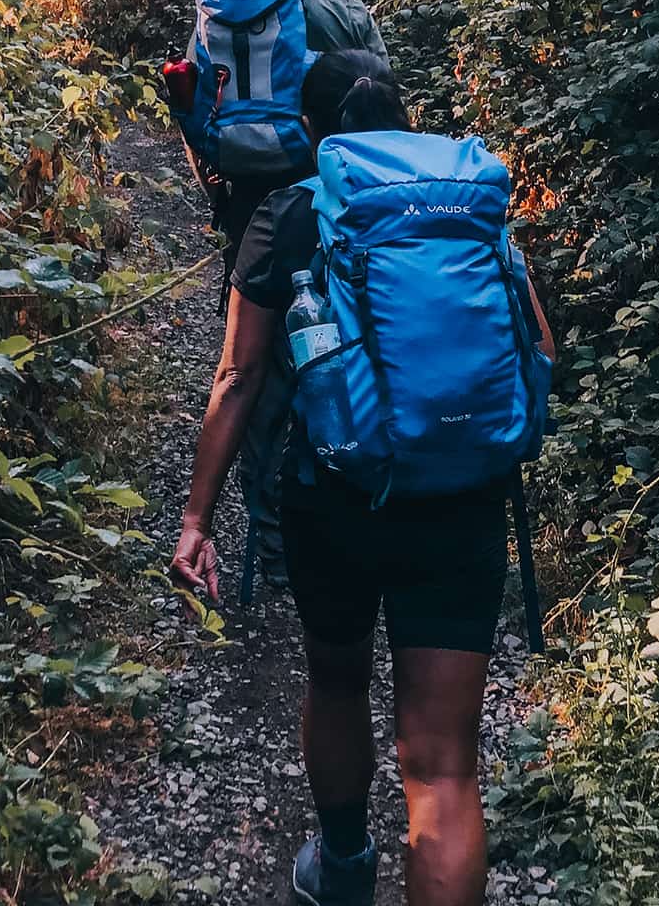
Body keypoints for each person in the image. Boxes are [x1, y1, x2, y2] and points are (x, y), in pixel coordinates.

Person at [169, 51, 557, 906]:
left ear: (311, 132)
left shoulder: (288, 214)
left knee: (337, 679)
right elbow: (541, 352)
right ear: (407, 122)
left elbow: (238, 378)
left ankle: (344, 864)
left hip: (335, 498)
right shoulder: (468, 208)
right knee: (444, 762)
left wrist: (198, 517)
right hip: (462, 501)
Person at [183, 0, 390, 594]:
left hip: (255, 216)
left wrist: (224, 200)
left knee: (255, 375)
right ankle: (364, 513)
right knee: (355, 353)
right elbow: (383, 117)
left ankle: (272, 546)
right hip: (341, 212)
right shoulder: (343, 10)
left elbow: (196, 120)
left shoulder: (219, 12)